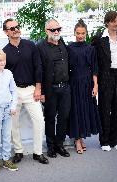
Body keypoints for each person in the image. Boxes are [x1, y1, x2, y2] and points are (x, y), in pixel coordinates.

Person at [3, 18, 48, 164]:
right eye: (12, 28)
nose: (16, 29)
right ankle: (18, 151)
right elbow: (4, 76)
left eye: (17, 26)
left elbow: (38, 67)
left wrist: (38, 88)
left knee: (39, 121)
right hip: (14, 92)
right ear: (6, 32)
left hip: (31, 90)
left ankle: (37, 152)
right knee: (13, 124)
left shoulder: (30, 45)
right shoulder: (4, 52)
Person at [92, 11, 117, 151]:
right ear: (107, 22)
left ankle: (115, 140)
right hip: (106, 76)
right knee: (105, 109)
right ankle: (104, 141)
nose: (116, 24)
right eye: (113, 21)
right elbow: (93, 59)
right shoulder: (100, 39)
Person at [36, 19, 71, 158]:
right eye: (53, 30)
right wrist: (42, 92)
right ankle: (50, 146)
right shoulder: (40, 47)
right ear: (47, 31)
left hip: (65, 88)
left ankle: (59, 144)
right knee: (50, 118)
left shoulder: (63, 43)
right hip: (50, 89)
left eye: (58, 29)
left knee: (64, 117)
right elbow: (39, 70)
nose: (56, 32)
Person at [67, 19, 101, 154]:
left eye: (83, 33)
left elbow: (94, 68)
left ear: (86, 33)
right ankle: (77, 139)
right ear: (74, 33)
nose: (80, 35)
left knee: (85, 110)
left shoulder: (91, 48)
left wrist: (96, 86)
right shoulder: (69, 48)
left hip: (87, 83)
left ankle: (81, 137)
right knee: (76, 110)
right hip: (74, 82)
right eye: (78, 33)